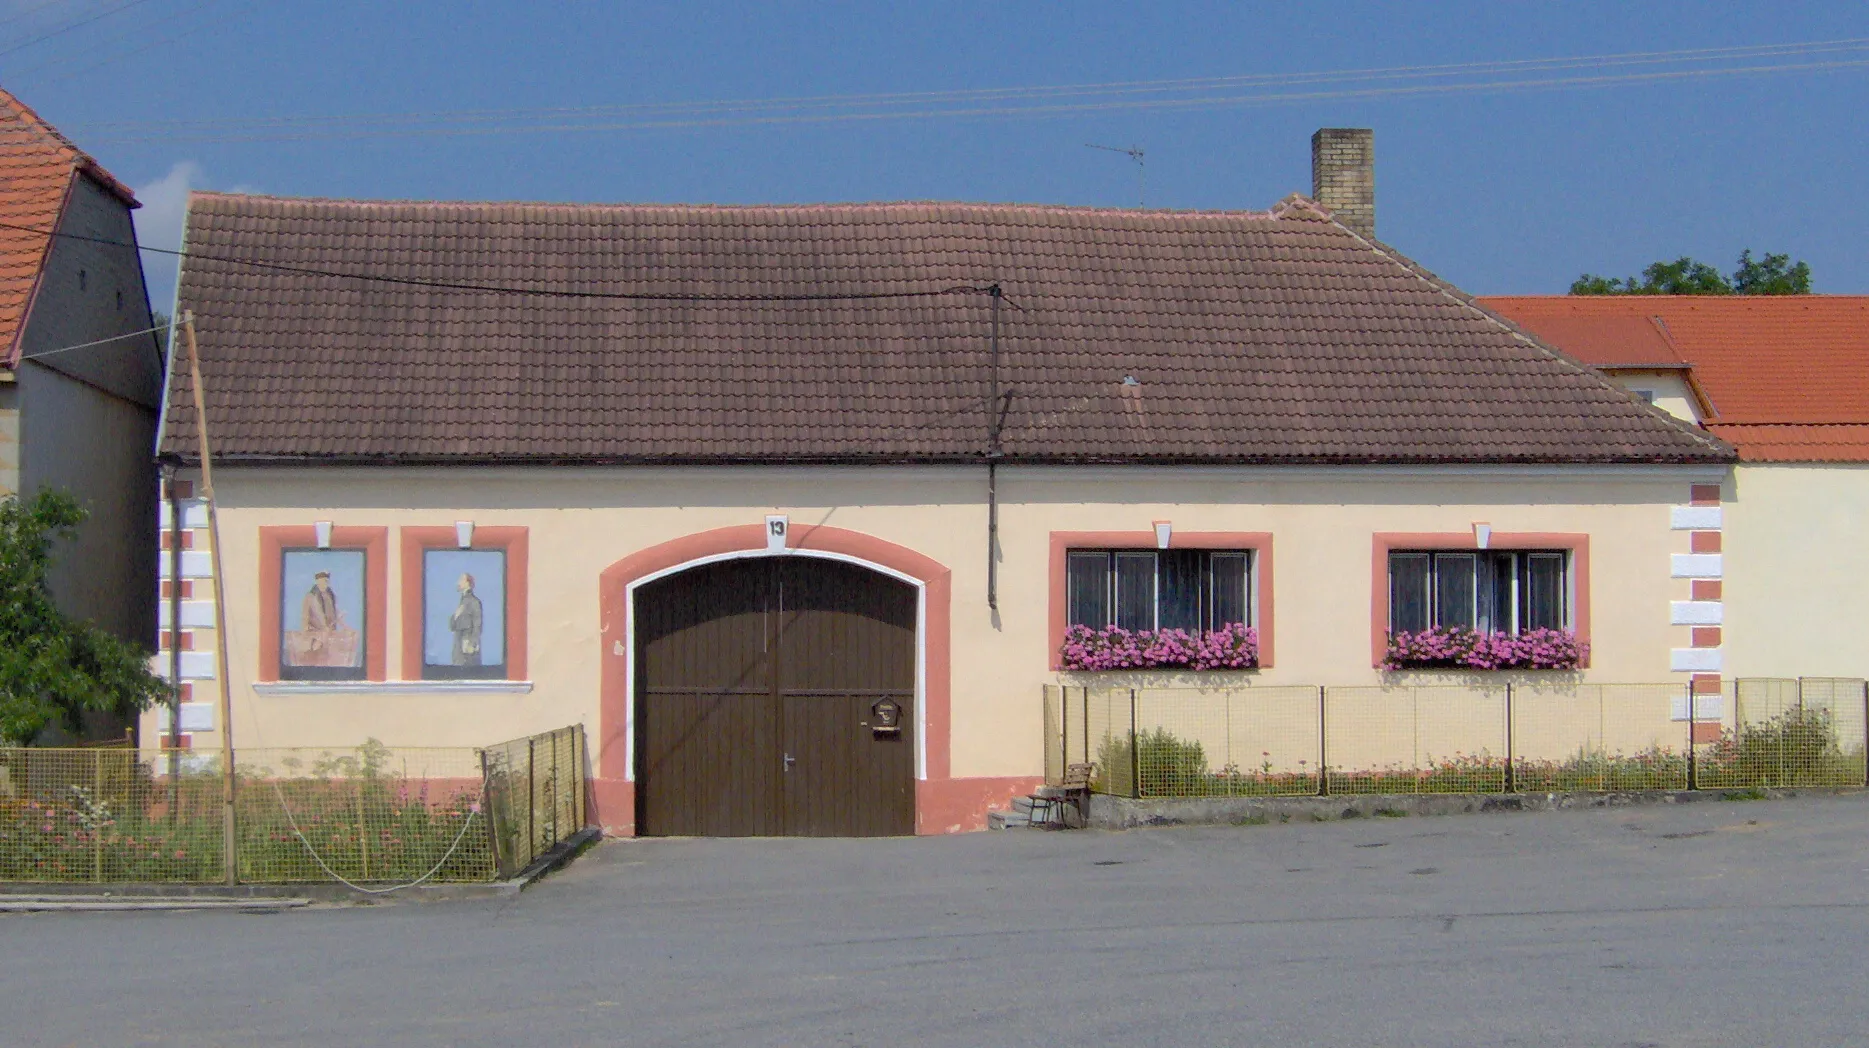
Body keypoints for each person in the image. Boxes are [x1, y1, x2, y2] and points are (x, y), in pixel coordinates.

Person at [450, 573, 484, 666]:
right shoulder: (462, 603)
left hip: (468, 649)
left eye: (461, 580)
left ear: (468, 583)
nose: (458, 582)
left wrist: (472, 644)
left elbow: (477, 625)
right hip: (459, 647)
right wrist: (455, 616)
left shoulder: (474, 601)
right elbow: (452, 626)